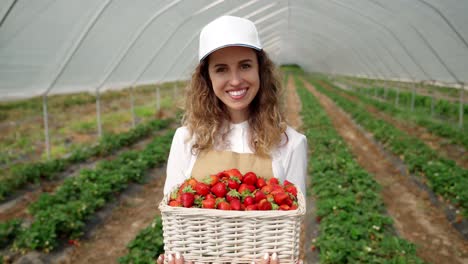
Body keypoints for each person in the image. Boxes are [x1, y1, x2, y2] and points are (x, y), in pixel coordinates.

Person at [158, 15, 307, 264]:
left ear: (261, 70)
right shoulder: (185, 139)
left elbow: (291, 225)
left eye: (245, 65)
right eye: (221, 69)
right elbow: (175, 216)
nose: (236, 80)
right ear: (207, 78)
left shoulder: (291, 143)